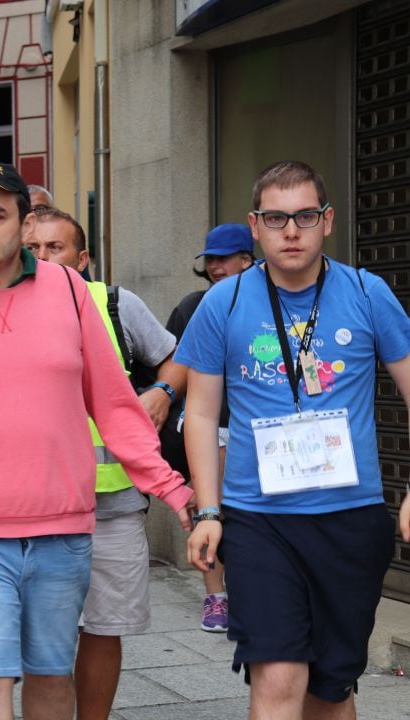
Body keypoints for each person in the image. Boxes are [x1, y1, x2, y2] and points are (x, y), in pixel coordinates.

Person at [0, 160, 193, 720]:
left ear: (24, 224)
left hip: (63, 529)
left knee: (50, 681)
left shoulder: (71, 291)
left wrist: (175, 491)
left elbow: (114, 406)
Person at [179, 160, 410, 720]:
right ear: (254, 225)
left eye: (304, 216)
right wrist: (208, 510)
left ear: (327, 221)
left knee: (331, 692)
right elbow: (203, 414)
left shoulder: (366, 292)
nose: (290, 231)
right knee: (278, 679)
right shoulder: (226, 302)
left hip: (350, 519)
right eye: (276, 218)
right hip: (259, 521)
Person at [23, 207, 187, 720]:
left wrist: (162, 391)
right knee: (45, 636)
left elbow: (178, 356)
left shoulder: (114, 303)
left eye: (57, 248)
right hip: (35, 506)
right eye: (34, 249)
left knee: (104, 627)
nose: (45, 259)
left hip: (113, 504)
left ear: (83, 257)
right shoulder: (1, 306)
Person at [164, 222, 255, 633]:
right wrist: (163, 395)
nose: (216, 267)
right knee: (212, 510)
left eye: (224, 259)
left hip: (262, 430)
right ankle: (216, 598)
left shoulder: (267, 305)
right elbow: (174, 362)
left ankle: (252, 593)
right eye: (210, 261)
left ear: (246, 260)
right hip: (212, 426)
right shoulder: (193, 306)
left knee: (249, 517)